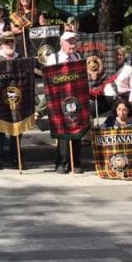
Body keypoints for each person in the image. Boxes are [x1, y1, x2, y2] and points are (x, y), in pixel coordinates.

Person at [44, 31, 83, 173]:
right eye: (70, 42)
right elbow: (49, 80)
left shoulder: (78, 57)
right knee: (62, 132)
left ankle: (76, 162)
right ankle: (61, 162)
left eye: (74, 42)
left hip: (75, 98)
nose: (73, 45)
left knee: (77, 129)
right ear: (62, 43)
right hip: (58, 99)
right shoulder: (53, 58)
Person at [0, 31, 21, 170]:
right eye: (6, 41)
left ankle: (16, 157)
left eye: (11, 41)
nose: (9, 44)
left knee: (17, 129)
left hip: (17, 97)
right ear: (1, 43)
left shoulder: (20, 59)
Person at [103, 46, 132, 114]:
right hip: (107, 101)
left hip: (123, 101)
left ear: (124, 56)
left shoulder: (129, 69)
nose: (118, 57)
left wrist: (130, 103)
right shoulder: (106, 69)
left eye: (120, 55)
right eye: (115, 54)